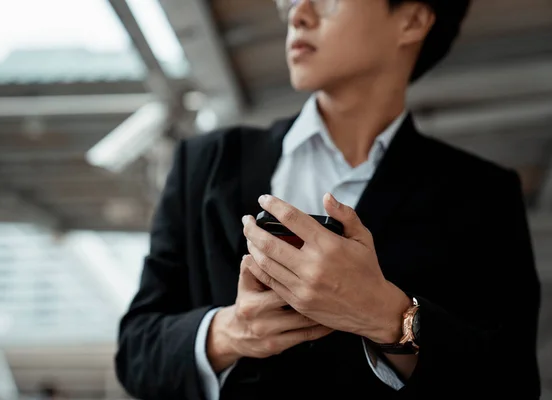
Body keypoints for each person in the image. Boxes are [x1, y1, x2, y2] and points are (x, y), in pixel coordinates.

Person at [114, 0, 541, 399]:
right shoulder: (206, 164)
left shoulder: (482, 195)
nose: (297, 13)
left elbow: (512, 382)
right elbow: (136, 352)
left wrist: (389, 317)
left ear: (411, 20)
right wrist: (231, 332)